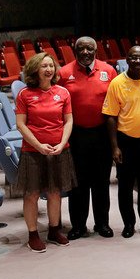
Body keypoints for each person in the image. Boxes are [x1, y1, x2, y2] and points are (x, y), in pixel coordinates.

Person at [57, 37, 117, 240]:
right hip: (76, 134)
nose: (85, 52)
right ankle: (78, 226)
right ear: (74, 51)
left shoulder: (108, 70)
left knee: (101, 182)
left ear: (95, 51)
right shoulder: (64, 73)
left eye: (89, 48)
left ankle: (102, 224)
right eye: (80, 48)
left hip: (102, 134)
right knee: (78, 183)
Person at [16, 52, 76, 252]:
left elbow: (68, 120)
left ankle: (53, 230)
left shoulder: (63, 92)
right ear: (35, 69)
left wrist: (62, 143)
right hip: (32, 151)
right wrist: (39, 146)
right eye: (44, 66)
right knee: (32, 194)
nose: (49, 69)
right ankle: (33, 235)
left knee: (55, 192)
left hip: (58, 150)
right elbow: (21, 124)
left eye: (51, 66)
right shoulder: (24, 94)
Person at [102, 46, 140, 238]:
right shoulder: (117, 83)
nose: (138, 61)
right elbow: (110, 117)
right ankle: (129, 224)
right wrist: (114, 147)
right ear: (127, 60)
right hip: (125, 141)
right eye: (134, 58)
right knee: (125, 185)